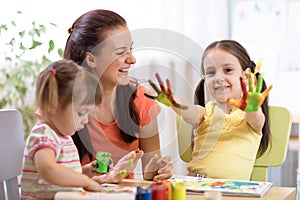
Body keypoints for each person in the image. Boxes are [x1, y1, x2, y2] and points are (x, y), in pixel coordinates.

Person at [63, 9, 173, 181]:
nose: (132, 59)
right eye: (121, 52)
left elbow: (150, 174)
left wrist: (157, 172)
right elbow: (48, 178)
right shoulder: (59, 102)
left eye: (131, 49)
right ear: (91, 59)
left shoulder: (142, 100)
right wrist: (97, 175)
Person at [145, 40, 272, 180]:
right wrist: (175, 102)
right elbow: (189, 112)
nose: (218, 78)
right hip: (195, 185)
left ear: (246, 76)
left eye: (228, 70)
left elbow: (256, 119)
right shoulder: (206, 113)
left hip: (232, 192)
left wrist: (252, 108)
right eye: (211, 73)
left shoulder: (250, 117)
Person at [21, 59, 143, 199]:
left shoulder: (63, 136)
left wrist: (86, 171)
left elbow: (65, 176)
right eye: (81, 113)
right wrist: (85, 181)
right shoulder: (44, 135)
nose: (85, 120)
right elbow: (48, 170)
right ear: (53, 106)